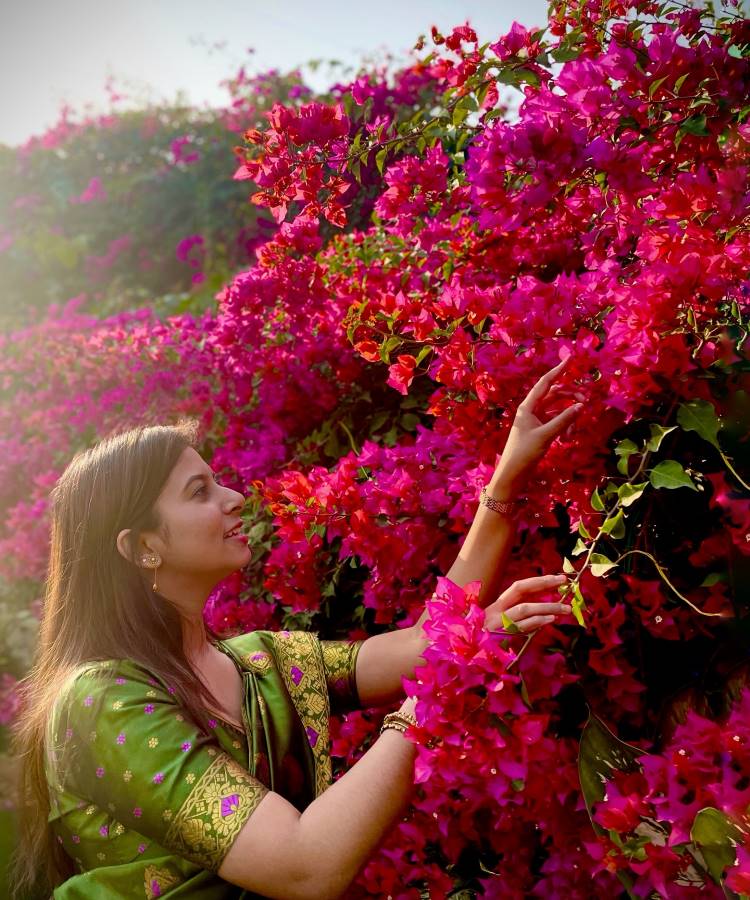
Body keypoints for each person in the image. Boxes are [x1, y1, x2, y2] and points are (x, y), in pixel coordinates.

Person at [10, 357, 581, 899]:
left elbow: (420, 648)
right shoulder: (102, 700)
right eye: (199, 492)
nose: (234, 499)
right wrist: (443, 684)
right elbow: (306, 865)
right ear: (143, 548)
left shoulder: (257, 662)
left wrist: (507, 478)